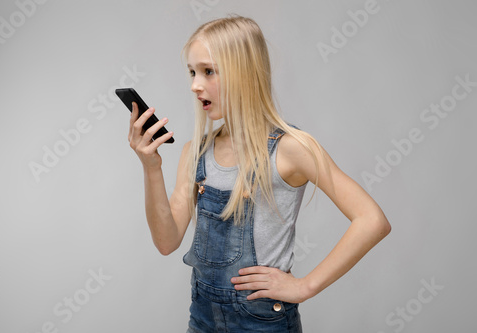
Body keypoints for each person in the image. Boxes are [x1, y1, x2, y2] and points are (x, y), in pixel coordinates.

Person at [128, 15, 391, 333]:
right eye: (193, 72)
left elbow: (372, 220)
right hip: (202, 318)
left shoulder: (291, 148)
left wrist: (305, 287)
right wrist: (151, 167)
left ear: (244, 71)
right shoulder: (194, 153)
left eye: (209, 71)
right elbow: (166, 242)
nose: (196, 85)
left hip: (262, 323)